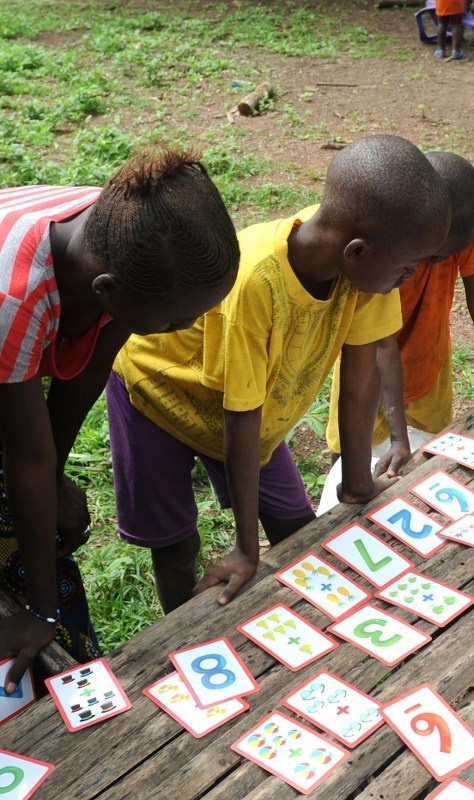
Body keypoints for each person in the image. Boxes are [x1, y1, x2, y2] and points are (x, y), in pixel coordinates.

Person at [106, 133, 450, 616]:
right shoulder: (255, 280)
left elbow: (359, 380)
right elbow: (239, 417)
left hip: (253, 415)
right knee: (175, 541)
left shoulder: (373, 253)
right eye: (410, 267)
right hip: (158, 393)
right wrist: (247, 548)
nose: (411, 277)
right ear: (356, 252)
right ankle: (177, 636)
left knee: (296, 529)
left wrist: (357, 481)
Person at [0, 147, 240, 693]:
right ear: (106, 291)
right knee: (22, 520)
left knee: (40, 516)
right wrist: (39, 610)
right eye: (179, 319)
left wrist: (56, 479)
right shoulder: (15, 297)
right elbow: (25, 456)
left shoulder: (124, 240)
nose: (189, 327)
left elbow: (79, 383)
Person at [320, 151, 474, 513]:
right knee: (355, 455)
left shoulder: (467, 224)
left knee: (424, 462)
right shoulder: (386, 245)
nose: (433, 264)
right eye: (432, 257)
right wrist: (399, 437)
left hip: (430, 366)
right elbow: (380, 344)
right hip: (364, 370)